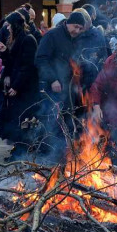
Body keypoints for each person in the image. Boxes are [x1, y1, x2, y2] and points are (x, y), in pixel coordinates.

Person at [35, 12, 86, 159]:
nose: (77, 31)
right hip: (52, 90)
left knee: (68, 122)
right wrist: (53, 79)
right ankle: (52, 156)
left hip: (69, 90)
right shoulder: (52, 36)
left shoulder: (76, 39)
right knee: (53, 122)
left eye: (80, 28)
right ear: (68, 23)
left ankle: (66, 155)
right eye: (75, 27)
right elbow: (41, 59)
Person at [0, 11, 40, 160]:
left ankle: (22, 152)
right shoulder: (17, 39)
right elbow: (14, 62)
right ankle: (19, 150)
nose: (7, 29)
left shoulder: (28, 40)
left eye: (9, 26)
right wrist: (4, 53)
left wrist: (16, 86)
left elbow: (27, 66)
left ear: (15, 25)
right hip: (18, 86)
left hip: (25, 90)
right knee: (17, 119)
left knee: (23, 120)